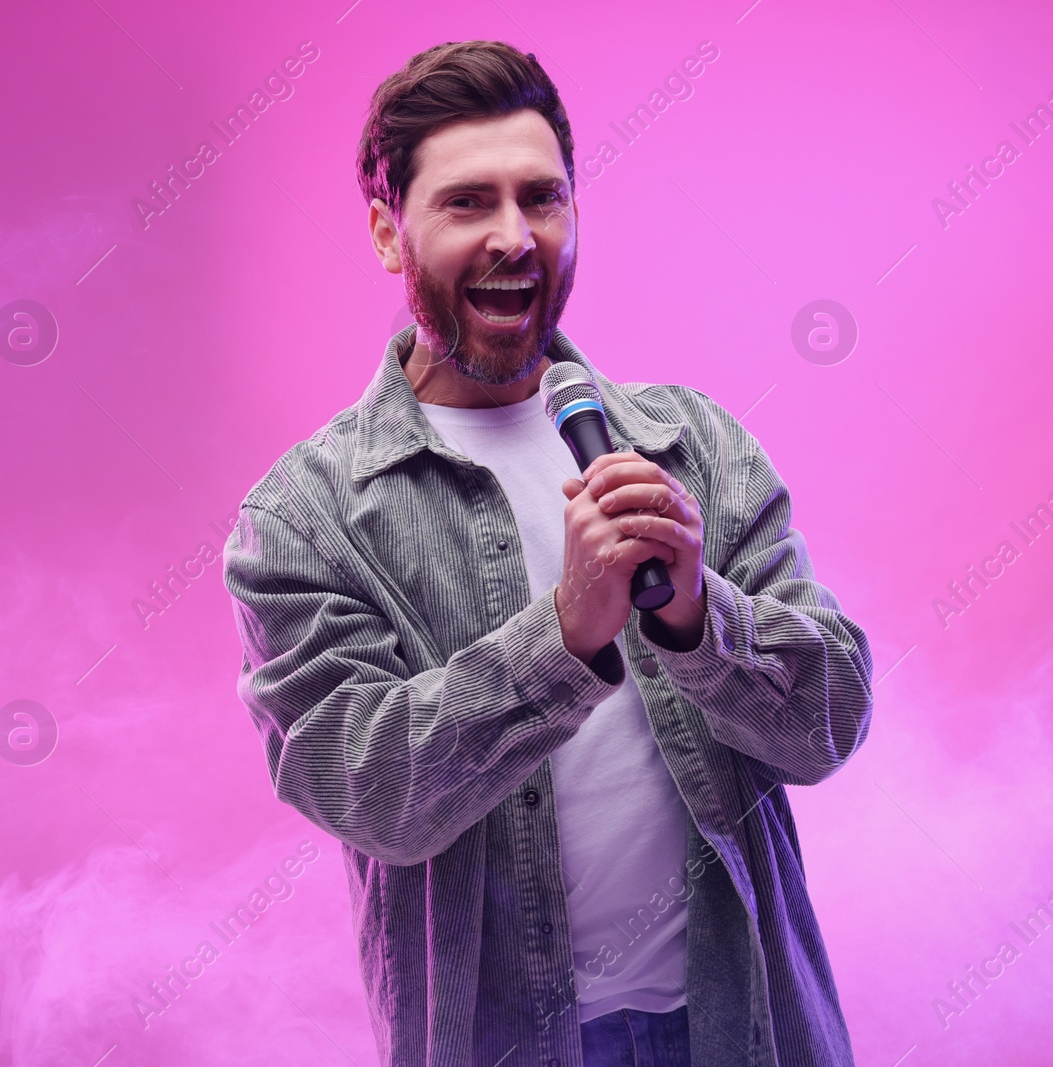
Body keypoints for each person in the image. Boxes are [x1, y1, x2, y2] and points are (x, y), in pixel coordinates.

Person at [222, 40, 873, 1067]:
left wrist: (699, 617)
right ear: (391, 233)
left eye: (543, 199)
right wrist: (562, 637)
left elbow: (829, 721)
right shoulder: (307, 516)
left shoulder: (691, 445)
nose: (514, 238)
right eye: (468, 203)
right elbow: (366, 788)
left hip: (743, 1030)